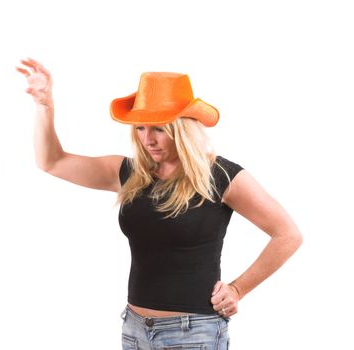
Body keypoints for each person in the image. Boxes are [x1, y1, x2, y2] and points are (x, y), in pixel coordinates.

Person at [16, 57, 303, 350]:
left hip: (193, 333)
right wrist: (44, 106)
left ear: (183, 129)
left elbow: (288, 235)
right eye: (140, 128)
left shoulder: (219, 175)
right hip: (135, 328)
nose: (147, 140)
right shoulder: (129, 173)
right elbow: (52, 162)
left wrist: (238, 289)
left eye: (158, 129)